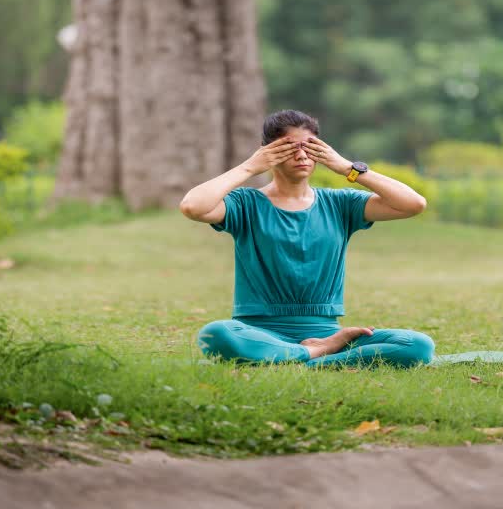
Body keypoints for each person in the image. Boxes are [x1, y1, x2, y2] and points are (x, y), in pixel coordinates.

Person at [179, 109, 436, 368]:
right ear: (268, 152)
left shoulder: (339, 204)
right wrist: (250, 166)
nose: (302, 155)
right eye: (289, 148)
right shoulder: (245, 204)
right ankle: (317, 355)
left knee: (417, 345)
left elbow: (413, 204)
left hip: (327, 332)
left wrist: (349, 168)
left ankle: (296, 357)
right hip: (258, 332)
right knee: (217, 335)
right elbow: (193, 207)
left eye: (310, 147)